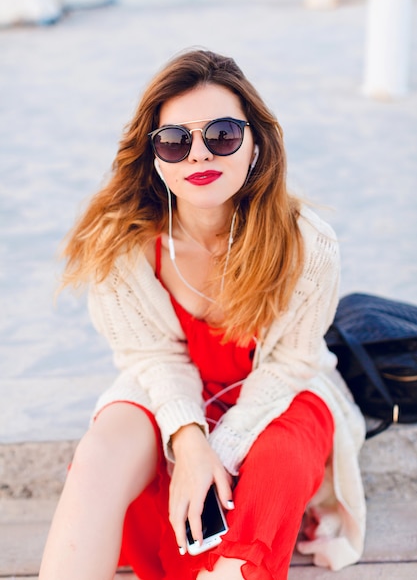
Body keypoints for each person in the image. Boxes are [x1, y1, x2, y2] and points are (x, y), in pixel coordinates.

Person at [39, 49, 366, 580]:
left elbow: (291, 364)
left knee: (276, 467)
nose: (198, 156)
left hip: (280, 392)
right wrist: (189, 445)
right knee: (99, 457)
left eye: (222, 136)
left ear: (256, 143)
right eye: (174, 141)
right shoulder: (121, 245)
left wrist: (222, 448)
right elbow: (153, 358)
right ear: (153, 154)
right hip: (169, 390)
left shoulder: (307, 243)